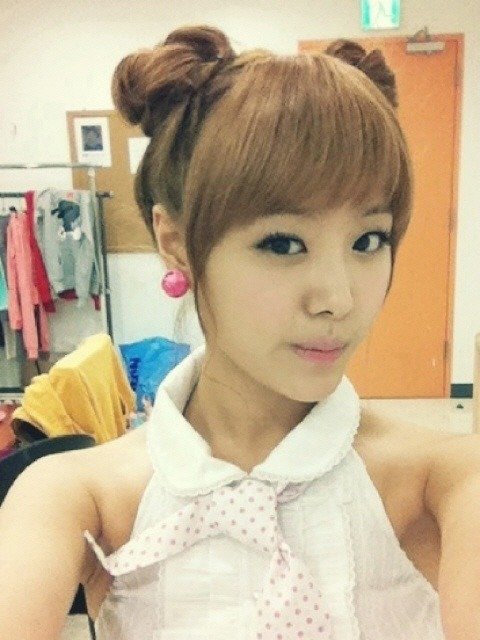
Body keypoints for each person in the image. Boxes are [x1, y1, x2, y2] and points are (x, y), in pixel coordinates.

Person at [0, 24, 479, 640]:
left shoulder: (445, 481)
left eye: (368, 240)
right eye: (283, 243)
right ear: (175, 241)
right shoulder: (77, 496)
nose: (337, 299)